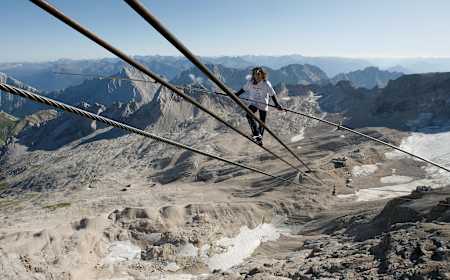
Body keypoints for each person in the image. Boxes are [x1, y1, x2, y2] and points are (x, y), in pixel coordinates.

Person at [235, 67, 283, 145]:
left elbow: (272, 94)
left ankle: (259, 139)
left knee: (262, 122)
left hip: (263, 103)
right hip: (254, 103)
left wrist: (277, 104)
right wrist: (236, 95)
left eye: (258, 74)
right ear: (253, 75)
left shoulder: (266, 83)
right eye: (255, 74)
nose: (257, 76)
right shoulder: (250, 82)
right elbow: (243, 89)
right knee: (249, 115)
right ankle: (256, 134)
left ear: (262, 75)